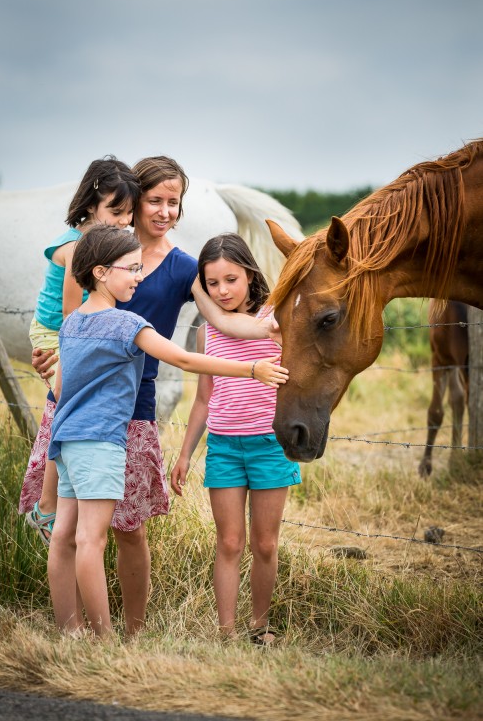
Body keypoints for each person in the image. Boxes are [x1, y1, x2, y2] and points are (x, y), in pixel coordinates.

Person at [19, 154, 278, 635]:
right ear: (134, 203)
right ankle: (79, 631)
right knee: (74, 532)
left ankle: (130, 634)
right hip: (78, 405)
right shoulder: (101, 254)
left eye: (173, 202)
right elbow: (65, 330)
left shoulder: (182, 268)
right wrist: (48, 362)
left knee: (128, 528)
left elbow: (222, 320)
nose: (163, 211)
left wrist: (276, 328)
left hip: (134, 408)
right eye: (153, 200)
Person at [171, 234, 301, 646]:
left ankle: (259, 628)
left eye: (231, 279)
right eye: (212, 284)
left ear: (249, 274)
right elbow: (204, 400)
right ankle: (225, 632)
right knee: (228, 542)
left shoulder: (275, 322)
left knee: (265, 543)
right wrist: (185, 454)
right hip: (225, 447)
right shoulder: (206, 333)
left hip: (269, 446)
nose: (223, 291)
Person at [25, 156, 140, 542]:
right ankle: (46, 507)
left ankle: (51, 505)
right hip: (56, 332)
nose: (124, 220)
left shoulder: (95, 242)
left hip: (68, 332)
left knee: (67, 408)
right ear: (91, 205)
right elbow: (72, 312)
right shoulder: (79, 247)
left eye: (129, 213)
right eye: (116, 210)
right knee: (67, 403)